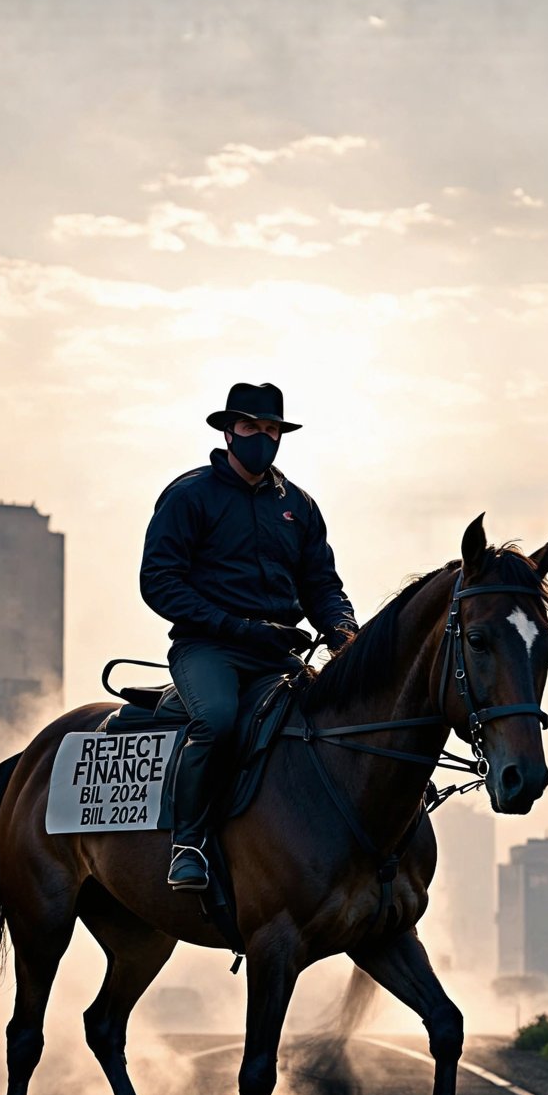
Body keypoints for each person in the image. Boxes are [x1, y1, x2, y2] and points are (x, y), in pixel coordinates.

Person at [140, 381, 359, 890]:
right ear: (228, 431)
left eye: (271, 429)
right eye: (250, 427)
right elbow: (159, 582)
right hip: (209, 649)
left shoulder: (299, 507)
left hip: (277, 654)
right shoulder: (189, 495)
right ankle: (187, 844)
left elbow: (322, 585)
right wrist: (236, 627)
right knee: (216, 722)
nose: (262, 436)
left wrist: (343, 631)